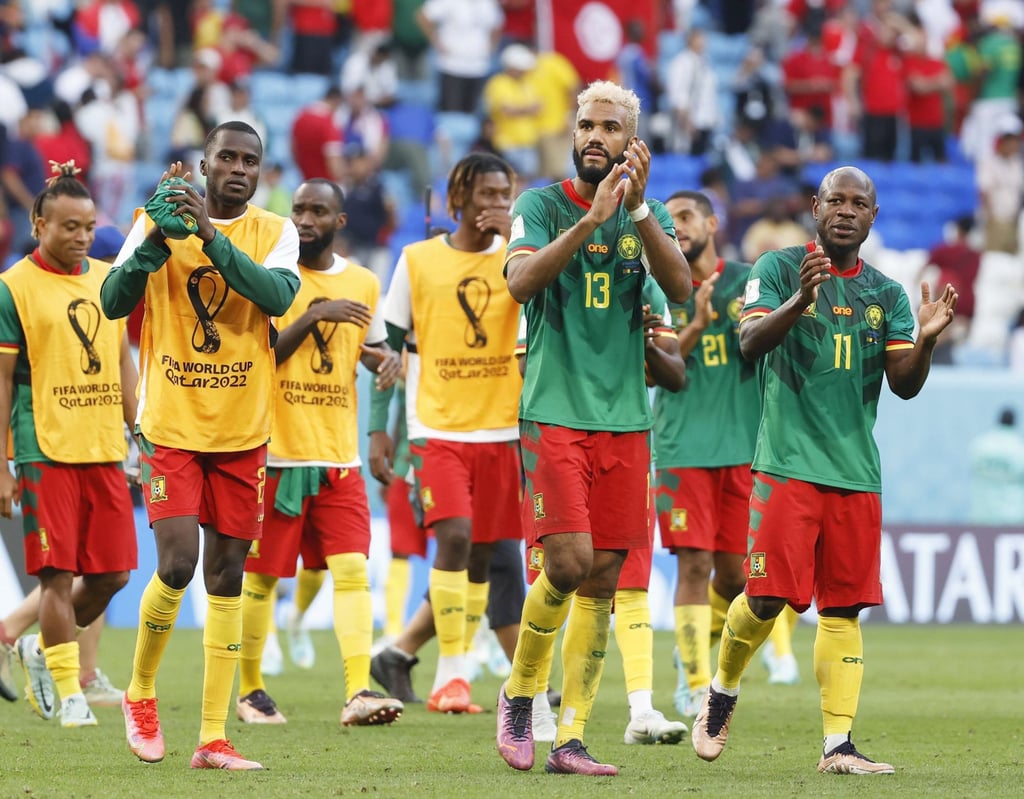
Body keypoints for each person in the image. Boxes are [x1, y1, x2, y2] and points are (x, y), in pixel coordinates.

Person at [690, 166, 957, 775]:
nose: (845, 210)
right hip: (787, 465)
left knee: (843, 608)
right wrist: (800, 301)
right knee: (767, 597)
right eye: (834, 199)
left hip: (855, 473)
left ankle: (838, 745)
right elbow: (751, 343)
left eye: (858, 203)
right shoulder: (778, 269)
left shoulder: (887, 295)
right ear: (815, 207)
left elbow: (903, 386)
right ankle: (722, 689)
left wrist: (928, 343)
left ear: (872, 216)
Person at [495, 80, 691, 777]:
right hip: (554, 411)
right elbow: (519, 283)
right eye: (585, 124)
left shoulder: (649, 214)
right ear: (572, 132)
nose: (594, 137)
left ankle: (570, 736)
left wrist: (635, 213)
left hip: (626, 422)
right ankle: (520, 693)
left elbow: (682, 287)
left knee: (604, 578)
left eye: (610, 127)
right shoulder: (541, 206)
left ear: (632, 141)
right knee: (568, 562)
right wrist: (588, 222)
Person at [100, 121, 301, 770]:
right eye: (227, 158)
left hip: (243, 432)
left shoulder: (277, 232)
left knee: (227, 573)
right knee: (181, 561)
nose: (239, 168)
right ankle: (140, 692)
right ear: (203, 164)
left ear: (261, 170)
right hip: (173, 426)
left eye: (250, 160)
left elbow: (275, 297)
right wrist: (157, 240)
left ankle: (213, 736)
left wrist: (208, 237)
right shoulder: (153, 218)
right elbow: (111, 301)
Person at [368, 152, 524, 716]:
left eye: (504, 195)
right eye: (485, 195)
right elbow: (386, 351)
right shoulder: (415, 261)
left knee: (483, 556)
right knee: (455, 536)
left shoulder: (522, 261)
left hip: (504, 431)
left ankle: (422, 663)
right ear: (457, 198)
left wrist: (520, 242)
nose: (495, 206)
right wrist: (379, 431)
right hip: (435, 428)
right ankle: (450, 676)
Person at [0, 161, 138, 727]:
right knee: (55, 574)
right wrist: (2, 464)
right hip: (43, 448)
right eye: (68, 227)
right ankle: (68, 691)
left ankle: (39, 648)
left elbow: (123, 361)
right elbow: (3, 382)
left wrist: (142, 433)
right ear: (39, 225)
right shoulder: (13, 287)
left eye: (87, 226)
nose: (81, 237)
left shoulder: (107, 278)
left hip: (104, 445)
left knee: (113, 575)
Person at [653, 190, 767, 719]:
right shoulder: (660, 286)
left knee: (739, 577)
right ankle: (694, 680)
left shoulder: (750, 280)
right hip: (682, 447)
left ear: (711, 222)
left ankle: (698, 647)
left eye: (685, 216)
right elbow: (661, 368)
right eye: (669, 219)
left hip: (743, 448)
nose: (676, 227)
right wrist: (696, 322)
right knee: (693, 565)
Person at [968, 408, 1024, 525]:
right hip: (1012, 515)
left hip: (982, 513)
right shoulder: (1019, 448)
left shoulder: (980, 444)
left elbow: (973, 468)